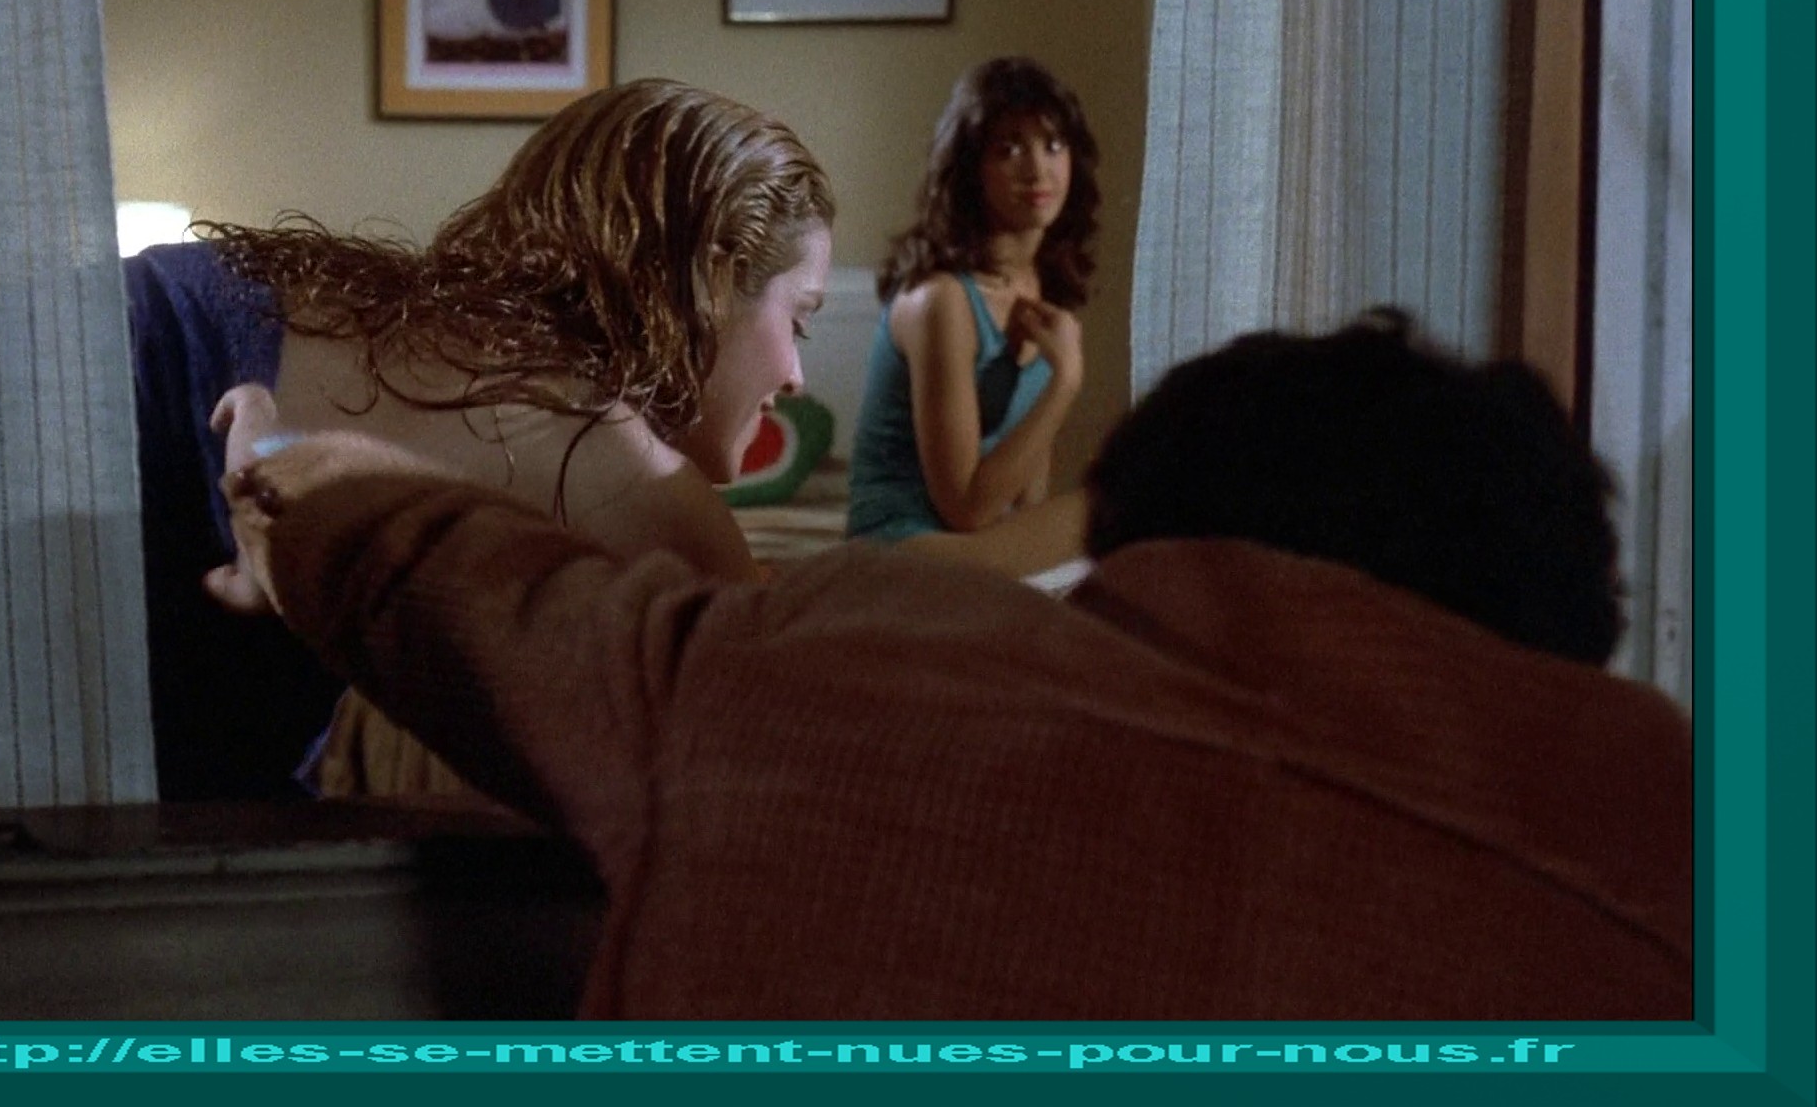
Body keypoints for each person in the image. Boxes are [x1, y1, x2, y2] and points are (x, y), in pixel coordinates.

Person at [216, 310, 1690, 1020]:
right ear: (1571, 623)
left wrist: (274, 456)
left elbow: (416, 560)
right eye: (790, 313)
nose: (797, 369)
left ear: (1131, 538)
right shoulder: (1699, 897)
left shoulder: (820, 679)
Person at [127, 78, 834, 801]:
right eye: (799, 320)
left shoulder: (403, 311)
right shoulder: (645, 483)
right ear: (714, 275)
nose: (795, 376)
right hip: (167, 396)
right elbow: (786, 752)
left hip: (168, 302)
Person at [845, 57, 1099, 576]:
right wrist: (1065, 382)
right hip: (901, 548)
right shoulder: (942, 300)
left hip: (976, 544)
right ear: (970, 169)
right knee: (1117, 506)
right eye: (1009, 149)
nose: (1038, 170)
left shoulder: (1039, 287)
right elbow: (965, 508)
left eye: (1053, 145)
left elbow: (1025, 492)